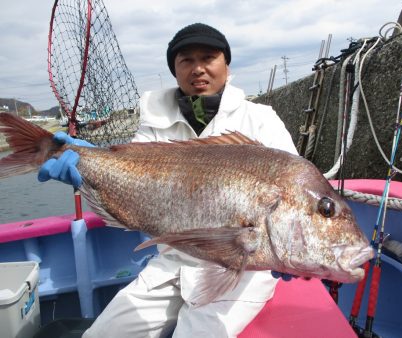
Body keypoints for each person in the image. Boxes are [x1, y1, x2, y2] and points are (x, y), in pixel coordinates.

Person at [39, 23, 298, 338]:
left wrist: (294, 246)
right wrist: (89, 172)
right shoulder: (154, 122)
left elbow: (292, 193)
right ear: (175, 70)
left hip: (241, 270)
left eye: (208, 57)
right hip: (172, 263)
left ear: (226, 65)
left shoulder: (261, 119)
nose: (198, 68)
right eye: (186, 60)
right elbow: (131, 178)